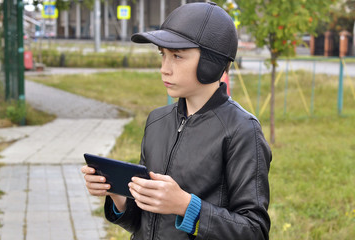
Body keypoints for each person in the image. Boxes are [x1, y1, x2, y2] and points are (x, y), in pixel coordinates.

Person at [82, 2, 271, 239]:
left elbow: (254, 231)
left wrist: (186, 206)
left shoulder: (242, 130)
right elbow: (143, 223)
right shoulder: (157, 121)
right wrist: (116, 195)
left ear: (210, 63)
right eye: (163, 55)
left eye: (177, 56)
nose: (164, 68)